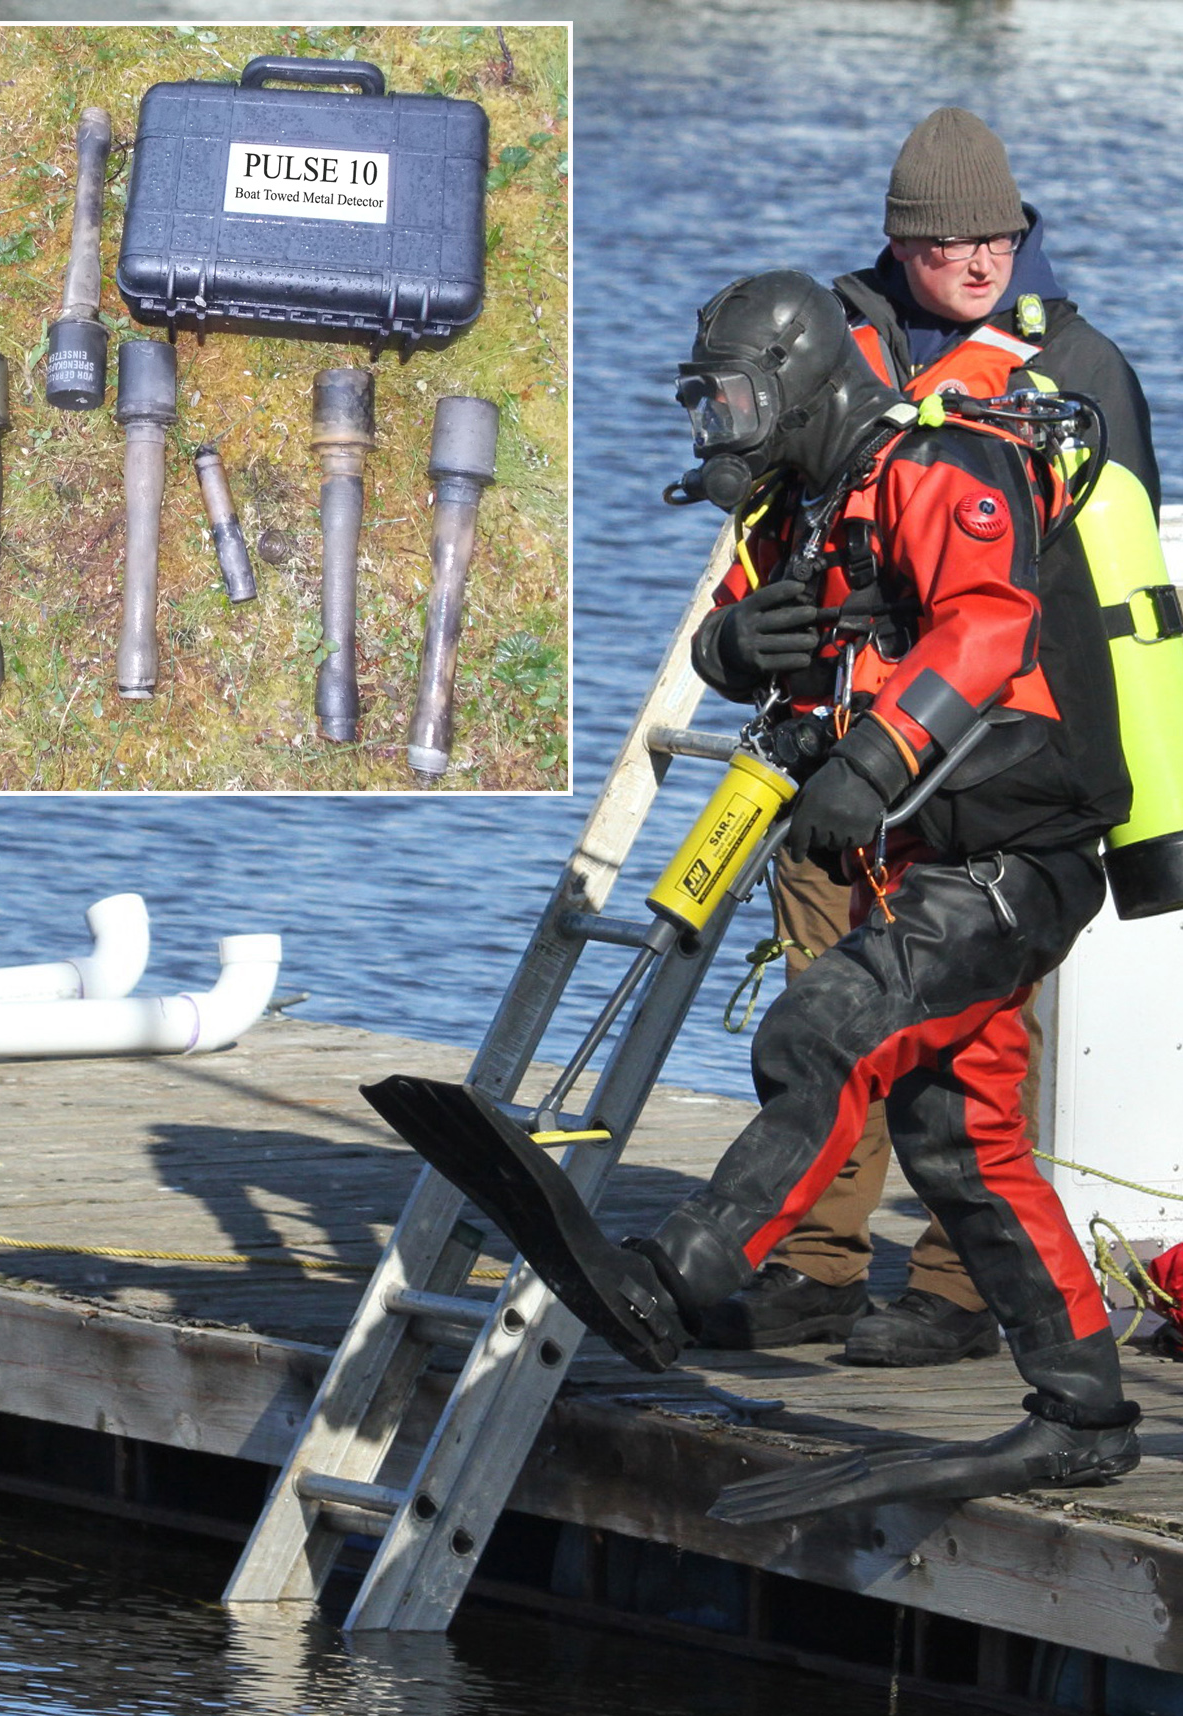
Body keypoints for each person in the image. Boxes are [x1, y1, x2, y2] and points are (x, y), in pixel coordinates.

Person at [367, 269, 1142, 1518]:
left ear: (801, 379)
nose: (716, 428)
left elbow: (986, 633)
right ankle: (1084, 1409)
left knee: (821, 1028)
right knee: (961, 1141)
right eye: (701, 405)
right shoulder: (807, 506)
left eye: (730, 400)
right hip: (932, 860)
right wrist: (730, 650)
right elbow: (742, 624)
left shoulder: (945, 471)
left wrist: (878, 758)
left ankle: (676, 1281)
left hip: (1018, 859)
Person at [704, 107, 1161, 1369]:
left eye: (997, 236)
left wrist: (1124, 804)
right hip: (838, 741)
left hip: (999, 771)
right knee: (823, 998)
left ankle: (961, 1291)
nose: (976, 261)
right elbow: (765, 521)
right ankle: (813, 1265)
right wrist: (739, 644)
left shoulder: (1078, 369)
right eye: (948, 241)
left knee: (968, 1044)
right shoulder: (832, 338)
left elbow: (1110, 591)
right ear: (900, 244)